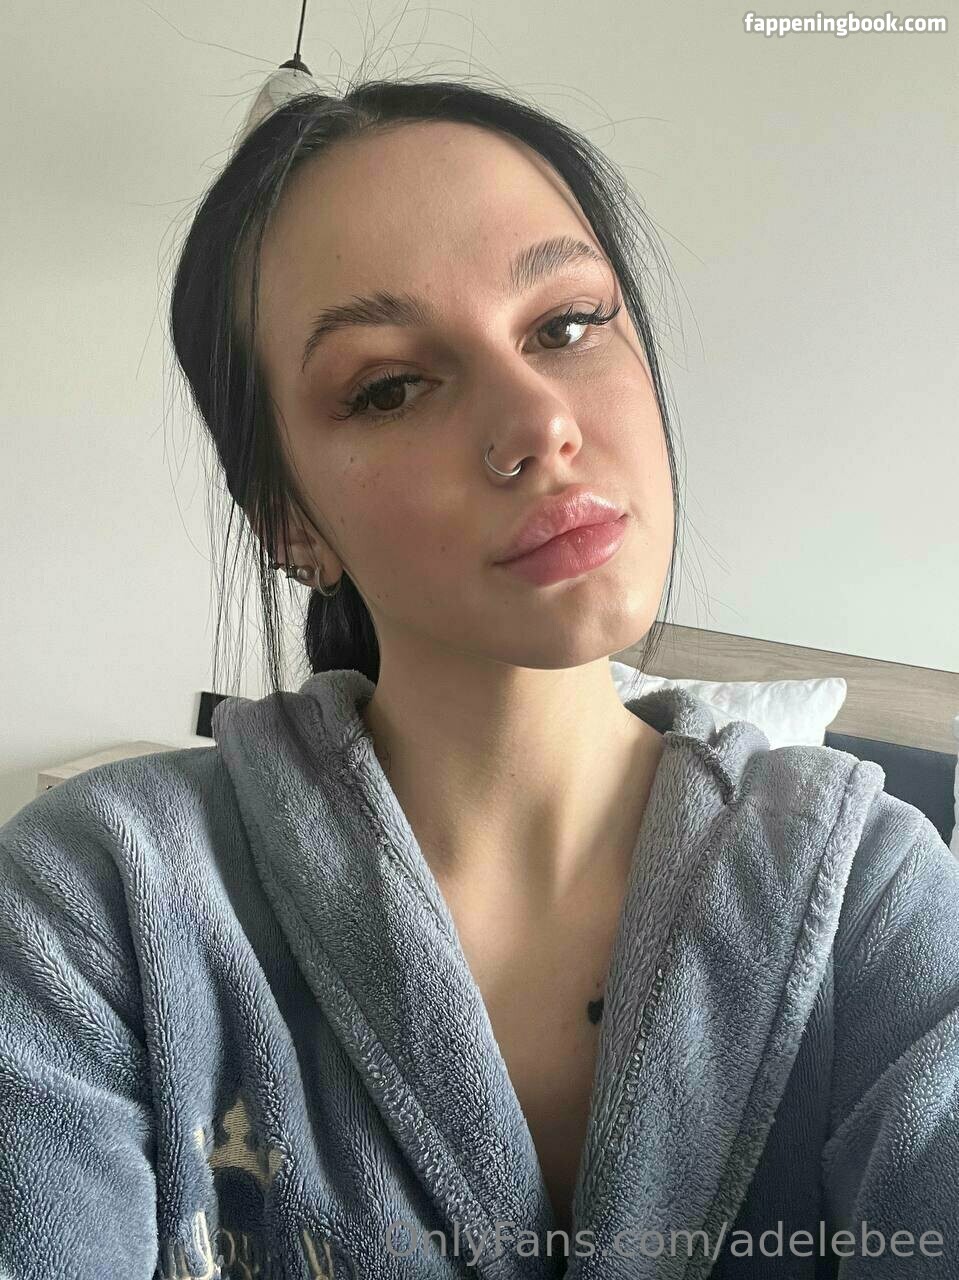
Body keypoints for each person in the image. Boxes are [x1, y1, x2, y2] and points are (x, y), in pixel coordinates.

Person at [1, 78, 958, 1280]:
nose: (536, 422)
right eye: (390, 386)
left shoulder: (871, 890)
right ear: (290, 519)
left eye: (565, 325)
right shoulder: (95, 897)